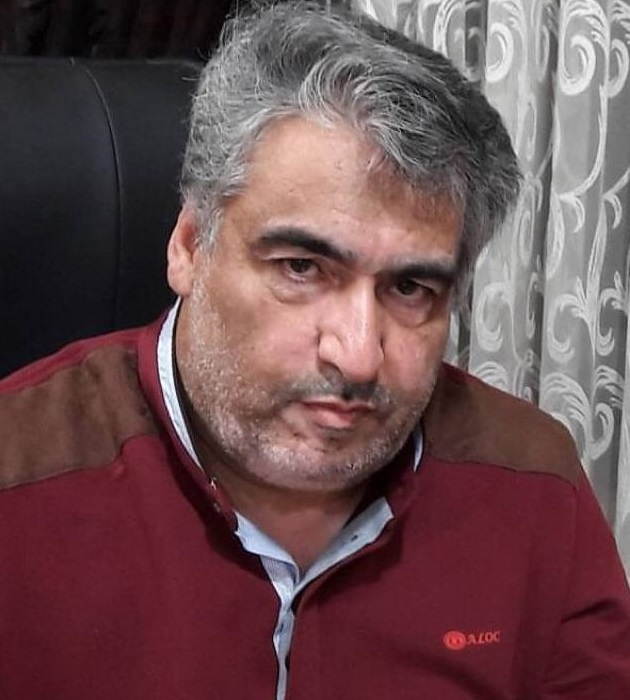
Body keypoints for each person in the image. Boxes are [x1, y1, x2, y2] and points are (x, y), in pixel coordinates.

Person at [0, 1, 628, 698]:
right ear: (189, 246)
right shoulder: (17, 479)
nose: (358, 356)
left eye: (411, 288)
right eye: (302, 268)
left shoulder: (532, 484)